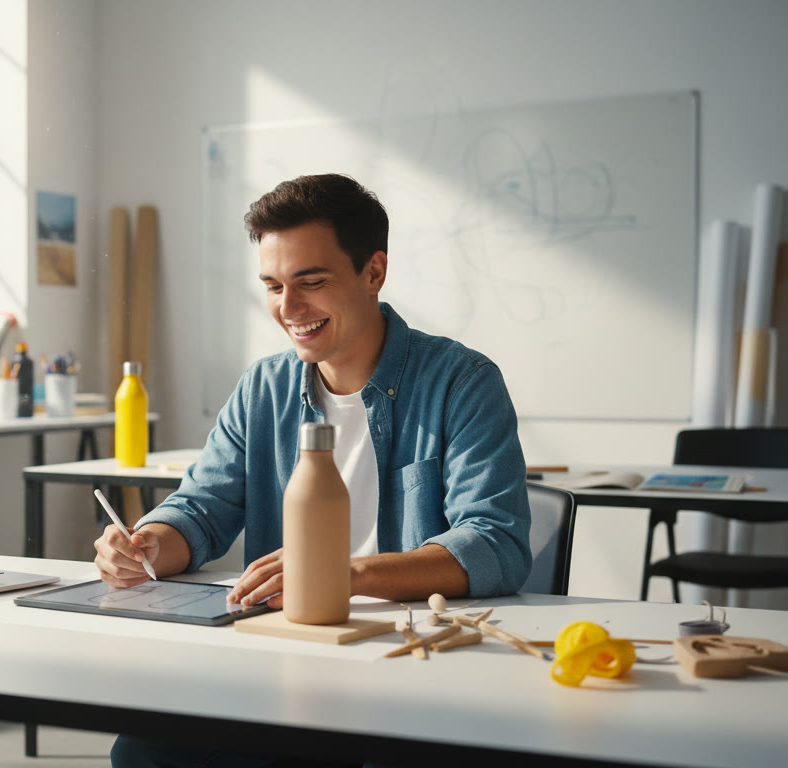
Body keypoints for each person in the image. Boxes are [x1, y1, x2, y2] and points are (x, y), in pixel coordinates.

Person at [96, 173, 531, 768]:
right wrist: (146, 545)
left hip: (412, 660)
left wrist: (338, 574)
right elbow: (200, 510)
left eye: (311, 282)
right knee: (143, 751)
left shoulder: (462, 380)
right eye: (273, 285)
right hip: (288, 658)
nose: (288, 308)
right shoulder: (264, 387)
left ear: (374, 272)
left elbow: (496, 542)